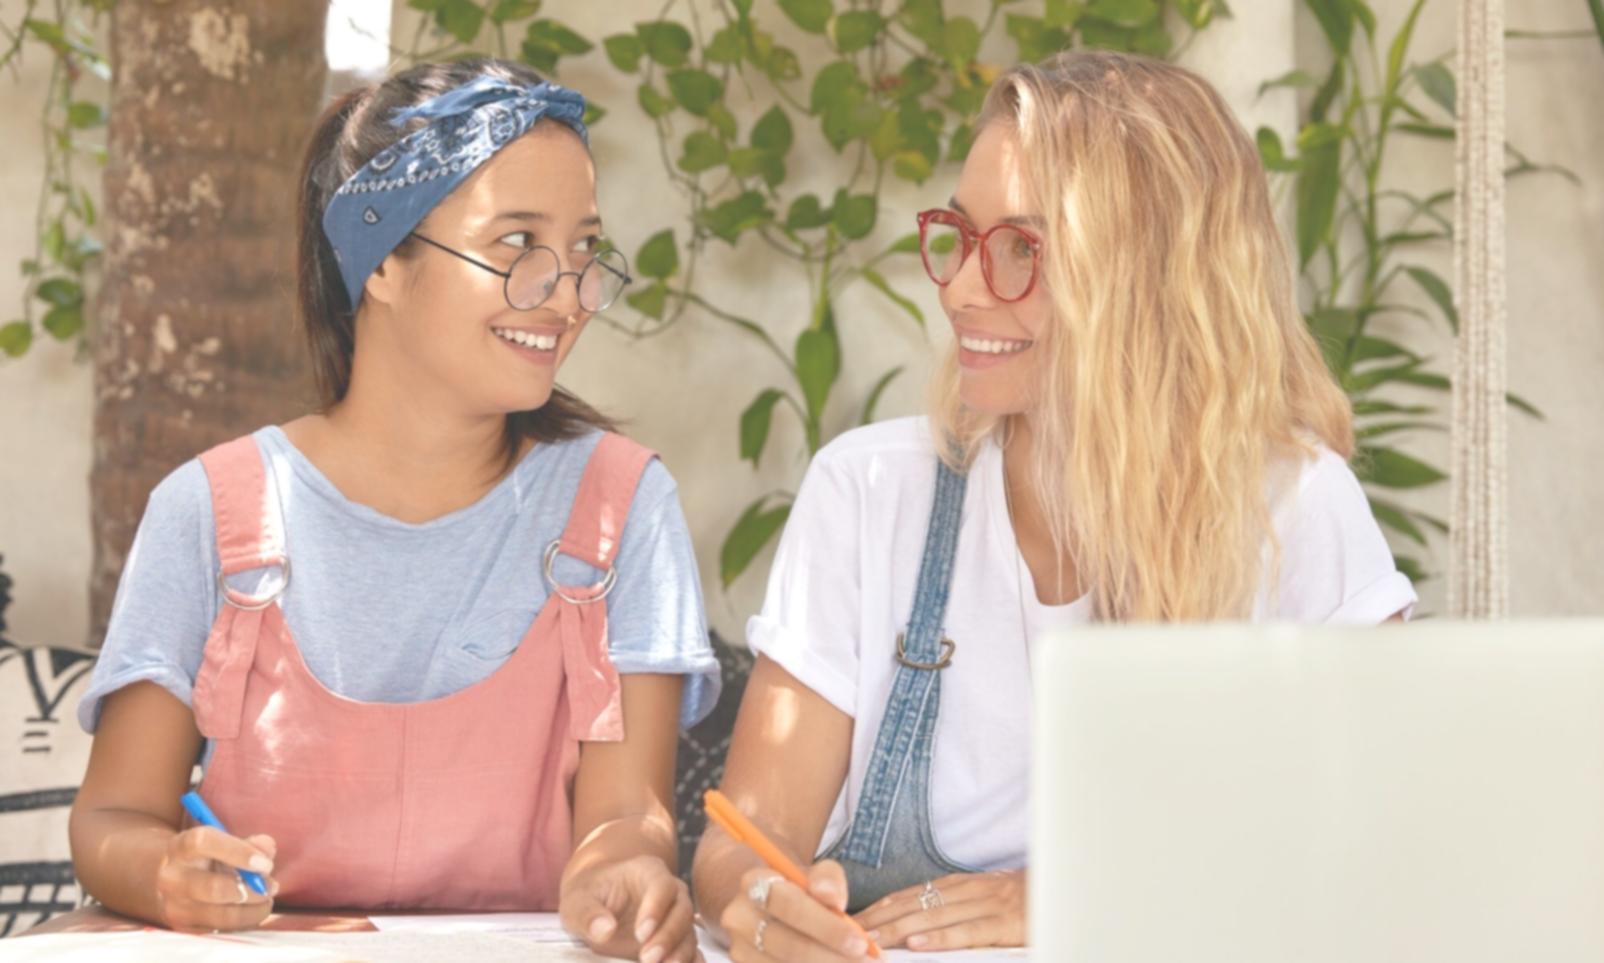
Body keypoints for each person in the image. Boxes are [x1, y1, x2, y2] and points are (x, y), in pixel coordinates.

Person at [692, 50, 1416, 961]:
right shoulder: (867, 494)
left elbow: (1390, 847)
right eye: (959, 235)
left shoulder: (1294, 508)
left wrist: (1090, 893)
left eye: (1022, 250)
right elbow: (740, 836)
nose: (959, 287)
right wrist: (755, 901)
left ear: (1157, 277)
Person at [69, 58, 717, 963]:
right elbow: (112, 817)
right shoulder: (209, 511)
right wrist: (165, 871)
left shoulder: (622, 505)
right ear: (379, 261)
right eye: (517, 245)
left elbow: (624, 816)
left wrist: (623, 873)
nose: (566, 293)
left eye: (582, 251)